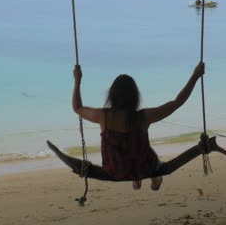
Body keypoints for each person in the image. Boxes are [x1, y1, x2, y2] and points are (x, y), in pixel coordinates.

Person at [72, 62, 205, 191]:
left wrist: (77, 80)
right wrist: (195, 76)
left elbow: (77, 107)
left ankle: (137, 180)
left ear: (112, 96)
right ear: (135, 96)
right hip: (143, 168)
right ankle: (152, 178)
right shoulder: (144, 116)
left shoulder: (103, 116)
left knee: (135, 150)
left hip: (115, 171)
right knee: (147, 151)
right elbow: (177, 102)